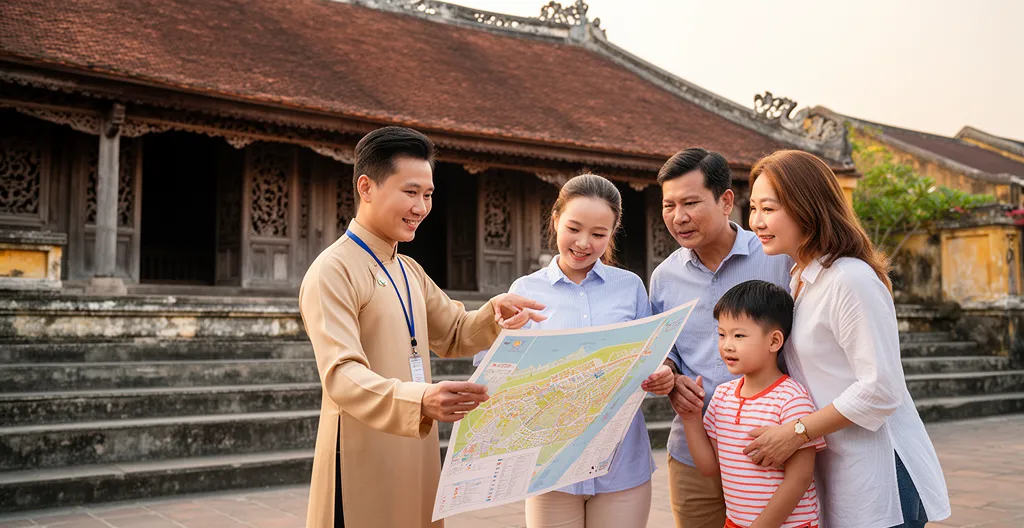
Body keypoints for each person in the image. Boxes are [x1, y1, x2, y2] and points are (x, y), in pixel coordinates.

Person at [298, 126, 545, 528]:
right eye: (410, 192)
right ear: (367, 187)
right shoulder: (333, 270)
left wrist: (494, 314)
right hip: (364, 454)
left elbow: (454, 333)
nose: (421, 207)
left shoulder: (407, 267)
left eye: (428, 195)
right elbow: (341, 376)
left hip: (416, 446)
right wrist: (419, 401)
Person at [743, 149, 951, 528]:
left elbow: (882, 388)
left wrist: (796, 431)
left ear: (808, 207)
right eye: (753, 208)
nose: (757, 221)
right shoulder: (800, 279)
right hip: (837, 469)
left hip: (878, 473)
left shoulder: (849, 279)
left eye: (769, 209)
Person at [479, 173, 676, 528]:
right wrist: (508, 342)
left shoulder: (629, 287)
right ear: (555, 220)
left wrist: (662, 374)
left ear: (612, 233)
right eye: (574, 228)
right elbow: (490, 374)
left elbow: (651, 355)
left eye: (599, 234)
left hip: (621, 464)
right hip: (548, 464)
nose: (584, 243)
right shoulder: (524, 289)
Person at [648, 148, 792, 528]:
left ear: (726, 200)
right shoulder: (664, 278)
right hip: (693, 451)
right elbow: (667, 353)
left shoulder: (778, 258)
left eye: (691, 202)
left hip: (768, 447)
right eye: (668, 205)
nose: (678, 217)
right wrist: (671, 376)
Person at [679, 280, 826, 528]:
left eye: (739, 335)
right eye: (722, 334)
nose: (727, 345)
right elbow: (709, 467)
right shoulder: (722, 396)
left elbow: (799, 479)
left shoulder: (791, 399)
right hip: (735, 522)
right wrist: (690, 417)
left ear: (774, 341)